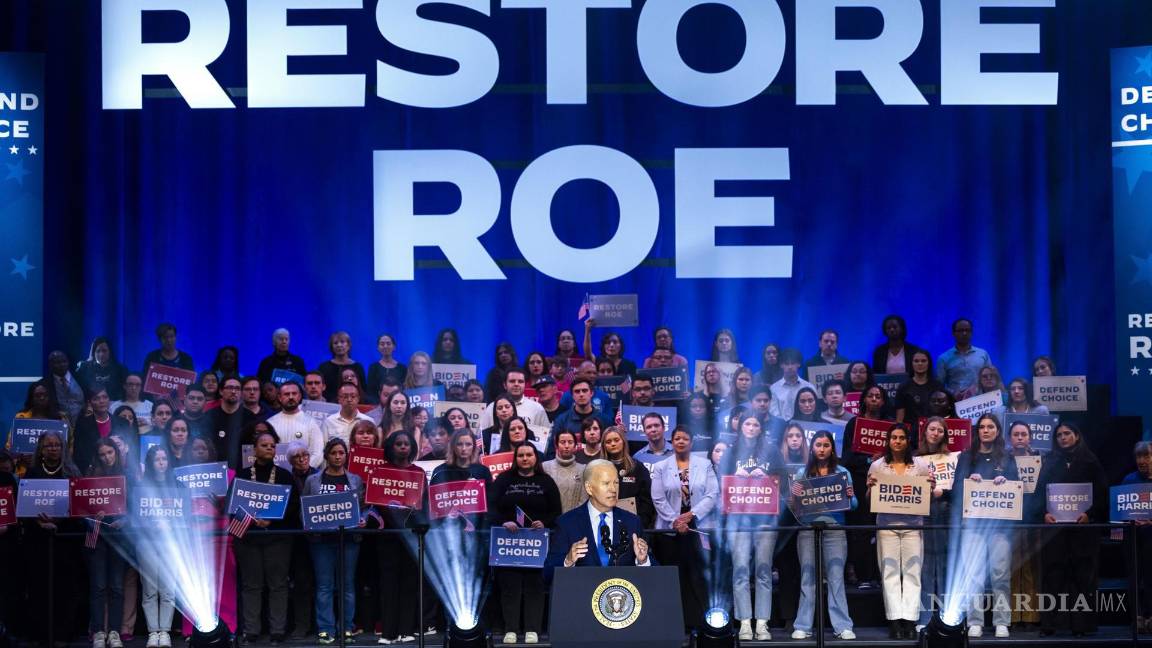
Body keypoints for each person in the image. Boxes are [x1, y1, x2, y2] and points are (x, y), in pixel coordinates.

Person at [1033, 422, 1108, 637]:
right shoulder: (1049, 462)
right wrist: (1043, 514)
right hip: (1054, 531)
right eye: (1059, 435)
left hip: (1082, 531)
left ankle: (1082, 625)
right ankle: (1050, 624)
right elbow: (1039, 495)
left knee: (1083, 577)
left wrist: (1090, 515)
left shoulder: (1091, 461)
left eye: (1067, 434)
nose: (1063, 438)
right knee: (1053, 575)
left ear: (1076, 435)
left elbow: (1102, 494)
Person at [722, 413, 789, 640]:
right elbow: (720, 482)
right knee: (740, 570)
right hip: (738, 521)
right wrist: (733, 476)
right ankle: (743, 623)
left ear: (761, 428)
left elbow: (784, 481)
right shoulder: (731, 452)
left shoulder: (771, 451)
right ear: (740, 427)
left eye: (755, 424)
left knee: (763, 570)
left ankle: (762, 623)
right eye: (747, 423)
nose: (751, 427)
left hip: (765, 519)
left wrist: (768, 476)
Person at [952, 413, 1018, 639]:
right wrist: (970, 481)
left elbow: (1017, 490)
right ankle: (975, 621)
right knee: (973, 575)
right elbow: (957, 490)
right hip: (973, 525)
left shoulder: (1008, 458)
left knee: (1000, 574)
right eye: (982, 427)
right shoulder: (966, 457)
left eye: (990, 427)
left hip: (999, 526)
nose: (986, 430)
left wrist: (1006, 482)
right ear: (977, 431)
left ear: (997, 431)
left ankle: (1002, 621)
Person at [865, 423, 934, 639]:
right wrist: (869, 487)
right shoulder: (877, 466)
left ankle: (910, 621)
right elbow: (869, 500)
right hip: (887, 525)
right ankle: (895, 621)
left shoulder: (920, 465)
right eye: (894, 437)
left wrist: (930, 487)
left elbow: (926, 497)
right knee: (890, 573)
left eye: (902, 437)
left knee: (913, 572)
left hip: (913, 525)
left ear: (907, 440)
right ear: (888, 441)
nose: (897, 441)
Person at [234, 429, 300, 645]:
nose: (269, 448)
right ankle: (251, 630)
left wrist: (273, 520)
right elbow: (232, 506)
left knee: (278, 584)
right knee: (251, 585)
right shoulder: (243, 475)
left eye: (272, 446)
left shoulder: (284, 476)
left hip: (277, 538)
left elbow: (293, 506)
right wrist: (252, 519)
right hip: (248, 538)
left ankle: (277, 630)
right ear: (254, 450)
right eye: (264, 445)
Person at [491, 443, 561, 644]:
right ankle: (511, 630)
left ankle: (533, 630)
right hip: (507, 544)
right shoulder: (504, 479)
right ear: (516, 458)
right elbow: (491, 507)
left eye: (529, 454)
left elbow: (557, 511)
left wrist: (545, 522)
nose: (524, 458)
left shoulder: (546, 481)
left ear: (535, 458)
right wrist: (502, 521)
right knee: (509, 587)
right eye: (520, 455)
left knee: (535, 587)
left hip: (536, 545)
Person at [789, 431, 857, 641]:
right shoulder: (802, 473)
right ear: (812, 447)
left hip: (835, 529)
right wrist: (794, 495)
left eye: (826, 445)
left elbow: (853, 505)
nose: (822, 449)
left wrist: (849, 495)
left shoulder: (843, 471)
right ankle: (803, 625)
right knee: (808, 577)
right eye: (818, 445)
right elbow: (793, 509)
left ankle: (843, 626)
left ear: (832, 448)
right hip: (808, 529)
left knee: (836, 577)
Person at [23, 431, 84, 645]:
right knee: (40, 588)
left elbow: (79, 506)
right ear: (41, 448)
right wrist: (39, 522)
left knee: (65, 589)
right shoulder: (31, 473)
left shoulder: (72, 472)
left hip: (65, 540)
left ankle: (63, 635)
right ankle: (41, 636)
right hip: (38, 540)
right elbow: (25, 506)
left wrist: (58, 521)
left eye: (57, 445)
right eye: (48, 445)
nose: (53, 448)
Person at [303, 438, 366, 645]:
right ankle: (325, 629)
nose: (338, 456)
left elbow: (363, 507)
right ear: (326, 455)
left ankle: (347, 627)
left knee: (347, 585)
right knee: (324, 586)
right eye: (333, 453)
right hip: (321, 541)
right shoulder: (313, 480)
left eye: (341, 453)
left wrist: (363, 519)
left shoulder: (355, 480)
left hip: (349, 539)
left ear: (346, 455)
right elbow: (304, 508)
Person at [544, 459, 652, 576]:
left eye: (616, 483)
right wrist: (568, 561)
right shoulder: (567, 523)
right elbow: (547, 573)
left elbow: (655, 572)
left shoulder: (632, 522)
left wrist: (643, 561)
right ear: (589, 488)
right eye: (606, 483)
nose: (613, 489)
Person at [377, 431, 427, 644]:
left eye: (407, 444)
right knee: (388, 583)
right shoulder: (381, 471)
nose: (403, 447)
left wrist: (411, 511)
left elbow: (423, 503)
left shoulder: (418, 472)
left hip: (411, 534)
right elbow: (377, 501)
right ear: (391, 447)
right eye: (399, 444)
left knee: (409, 582)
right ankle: (388, 633)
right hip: (387, 535)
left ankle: (406, 631)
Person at [86, 438, 129, 648]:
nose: (107, 457)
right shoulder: (90, 478)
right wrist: (95, 516)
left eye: (110, 452)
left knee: (117, 587)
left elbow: (136, 508)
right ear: (98, 457)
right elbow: (80, 511)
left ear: (116, 452)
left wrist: (125, 520)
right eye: (102, 454)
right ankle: (98, 633)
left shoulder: (127, 476)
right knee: (98, 587)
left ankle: (114, 632)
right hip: (97, 537)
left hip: (119, 539)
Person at [139, 444, 180, 648]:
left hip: (170, 543)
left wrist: (169, 525)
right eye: (157, 459)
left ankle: (165, 632)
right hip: (146, 542)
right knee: (149, 590)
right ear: (150, 463)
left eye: (164, 459)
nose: (161, 463)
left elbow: (184, 517)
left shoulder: (178, 487)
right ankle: (152, 632)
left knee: (168, 590)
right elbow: (135, 517)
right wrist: (149, 525)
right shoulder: (141, 487)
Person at [916, 416, 952, 631]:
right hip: (921, 514)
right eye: (932, 429)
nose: (936, 433)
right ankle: (925, 618)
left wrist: (943, 491)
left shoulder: (953, 458)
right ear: (925, 432)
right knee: (925, 567)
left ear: (944, 435)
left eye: (940, 430)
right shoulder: (914, 458)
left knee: (945, 567)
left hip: (944, 513)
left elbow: (959, 489)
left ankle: (948, 617)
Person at [1121, 442, 1152, 633]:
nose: (1142, 461)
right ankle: (1138, 617)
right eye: (1139, 457)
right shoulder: (1128, 481)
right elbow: (1120, 512)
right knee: (1135, 577)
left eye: (1146, 456)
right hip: (1133, 538)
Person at [601, 426, 655, 528]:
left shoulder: (637, 467)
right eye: (608, 442)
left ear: (623, 441)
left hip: (633, 524)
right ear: (603, 446)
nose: (613, 444)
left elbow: (647, 500)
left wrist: (641, 522)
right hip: (605, 524)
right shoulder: (598, 470)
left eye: (616, 440)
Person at [267, 381, 325, 468]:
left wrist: (304, 469)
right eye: (287, 394)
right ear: (279, 397)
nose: (291, 397)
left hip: (304, 476)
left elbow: (318, 453)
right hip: (276, 475)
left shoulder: (311, 422)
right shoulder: (270, 423)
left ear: (300, 396)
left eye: (294, 394)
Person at [936, 318, 992, 400]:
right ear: (953, 333)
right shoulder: (944, 358)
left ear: (972, 333)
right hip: (955, 403)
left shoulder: (983, 354)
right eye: (960, 331)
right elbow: (939, 386)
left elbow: (990, 379)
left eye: (967, 330)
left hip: (980, 403)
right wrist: (953, 393)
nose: (964, 333)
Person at [550, 379, 613, 452]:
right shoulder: (561, 420)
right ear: (572, 395)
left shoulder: (605, 420)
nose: (581, 394)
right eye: (577, 391)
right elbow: (553, 448)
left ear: (591, 393)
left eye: (584, 390)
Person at [478, 368, 547, 429]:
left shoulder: (537, 408)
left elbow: (546, 435)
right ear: (505, 385)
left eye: (520, 381)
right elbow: (482, 434)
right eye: (512, 381)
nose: (516, 384)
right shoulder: (492, 407)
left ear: (525, 385)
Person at [894, 350, 946, 426]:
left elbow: (942, 413)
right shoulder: (903, 387)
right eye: (916, 361)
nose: (920, 364)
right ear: (911, 363)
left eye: (923, 361)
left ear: (929, 363)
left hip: (932, 430)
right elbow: (899, 419)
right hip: (910, 431)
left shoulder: (937, 386)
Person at [543, 430, 587, 512]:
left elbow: (583, 501)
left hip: (573, 520)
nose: (566, 446)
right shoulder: (545, 467)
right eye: (563, 442)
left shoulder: (583, 469)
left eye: (570, 442)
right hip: (549, 521)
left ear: (575, 445)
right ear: (556, 445)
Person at [74, 386, 114, 473]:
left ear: (109, 400)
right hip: (92, 473)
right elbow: (78, 453)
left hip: (119, 472)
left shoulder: (122, 423)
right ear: (89, 402)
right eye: (96, 398)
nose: (101, 401)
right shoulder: (82, 425)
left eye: (105, 397)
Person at [76, 336, 129, 401]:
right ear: (93, 353)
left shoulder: (120, 369)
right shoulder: (85, 368)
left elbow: (125, 391)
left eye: (104, 351)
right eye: (98, 351)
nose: (101, 354)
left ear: (110, 352)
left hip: (114, 405)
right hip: (92, 406)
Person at [318, 332, 367, 402]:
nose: (339, 345)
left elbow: (363, 389)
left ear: (349, 345)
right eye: (335, 343)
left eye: (342, 342)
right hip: (329, 405)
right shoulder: (324, 367)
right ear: (331, 347)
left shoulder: (358, 367)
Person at [769, 348, 815, 420]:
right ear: (781, 365)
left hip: (806, 425)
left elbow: (815, 410)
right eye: (787, 364)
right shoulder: (774, 388)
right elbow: (773, 412)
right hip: (781, 427)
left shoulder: (809, 387)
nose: (790, 367)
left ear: (799, 364)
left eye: (793, 363)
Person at [48, 349, 86, 422]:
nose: (62, 365)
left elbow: (90, 397)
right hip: (58, 425)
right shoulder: (45, 384)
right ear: (50, 365)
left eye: (64, 361)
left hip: (82, 423)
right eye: (57, 362)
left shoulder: (81, 378)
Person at [366, 334, 407, 403]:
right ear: (378, 348)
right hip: (378, 406)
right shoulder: (373, 367)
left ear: (394, 347)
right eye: (382, 344)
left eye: (388, 344)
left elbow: (404, 390)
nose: (385, 346)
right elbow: (370, 392)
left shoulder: (402, 368)